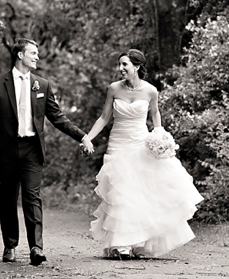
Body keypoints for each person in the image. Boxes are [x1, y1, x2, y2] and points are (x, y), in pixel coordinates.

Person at [0, 38, 93, 266]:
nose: (37, 57)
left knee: (32, 197)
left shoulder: (42, 85)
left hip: (32, 149)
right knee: (9, 198)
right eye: (33, 52)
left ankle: (36, 248)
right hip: (7, 150)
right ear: (20, 55)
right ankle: (10, 245)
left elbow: (57, 118)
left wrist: (82, 136)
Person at [81, 49, 203, 259]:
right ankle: (122, 244)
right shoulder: (113, 89)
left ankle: (138, 243)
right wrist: (88, 137)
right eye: (120, 64)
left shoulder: (150, 91)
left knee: (139, 193)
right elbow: (104, 117)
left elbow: (155, 115)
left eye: (125, 64)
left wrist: (160, 138)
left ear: (136, 66)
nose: (121, 69)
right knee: (121, 192)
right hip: (118, 143)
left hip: (139, 143)